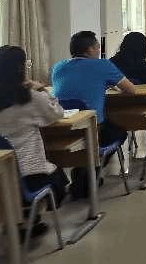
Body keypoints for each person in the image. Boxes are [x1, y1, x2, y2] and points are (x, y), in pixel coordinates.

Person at [0, 45, 68, 206]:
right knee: (59, 178)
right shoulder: (29, 97)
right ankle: (33, 213)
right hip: (27, 179)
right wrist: (42, 90)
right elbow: (57, 113)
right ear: (20, 69)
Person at [52, 31, 136, 196]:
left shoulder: (58, 67)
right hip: (91, 130)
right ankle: (89, 175)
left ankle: (83, 173)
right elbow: (131, 90)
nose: (99, 50)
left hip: (61, 129)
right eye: (97, 47)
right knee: (118, 133)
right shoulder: (102, 65)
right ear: (90, 49)